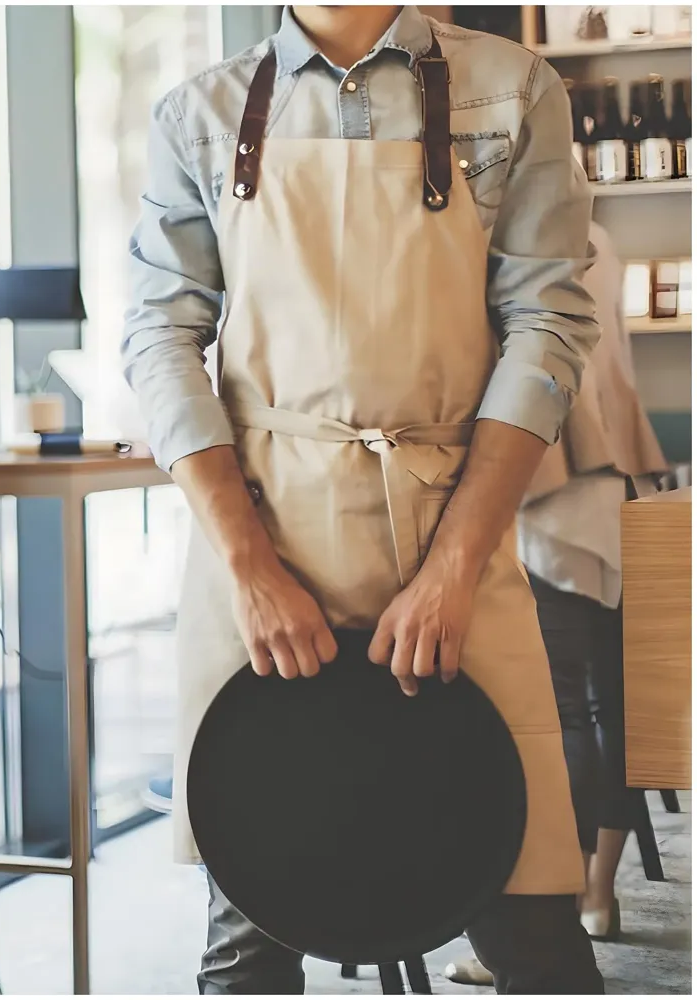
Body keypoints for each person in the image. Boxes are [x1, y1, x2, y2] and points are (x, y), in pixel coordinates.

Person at [123, 6, 604, 994]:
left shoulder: (514, 92)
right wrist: (250, 570)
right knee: (254, 929)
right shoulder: (199, 115)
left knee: (531, 928)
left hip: (453, 543)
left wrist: (454, 568)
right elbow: (160, 340)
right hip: (263, 552)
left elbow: (545, 328)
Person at [445, 224, 668, 986]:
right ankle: (599, 895)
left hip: (550, 487)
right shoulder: (604, 239)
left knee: (564, 712)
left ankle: (560, 912)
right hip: (617, 488)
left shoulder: (513, 234)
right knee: (612, 710)